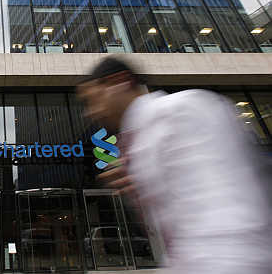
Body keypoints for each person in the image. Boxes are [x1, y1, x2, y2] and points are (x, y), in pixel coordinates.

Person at [76, 57, 271, 274]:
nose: (90, 112)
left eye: (92, 99)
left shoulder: (182, 110)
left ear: (120, 81)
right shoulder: (140, 141)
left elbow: (223, 221)